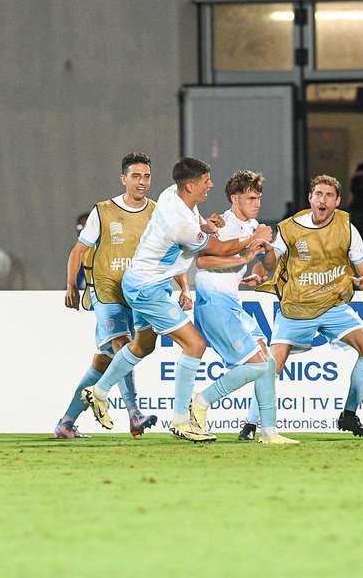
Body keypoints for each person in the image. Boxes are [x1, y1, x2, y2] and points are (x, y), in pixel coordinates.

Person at [82, 157, 271, 442]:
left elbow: (200, 226)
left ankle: (99, 391)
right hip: (147, 288)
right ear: (191, 185)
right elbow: (216, 249)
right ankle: (181, 420)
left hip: (142, 281)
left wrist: (208, 225)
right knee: (194, 344)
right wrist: (250, 241)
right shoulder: (179, 224)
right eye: (206, 181)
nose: (211, 185)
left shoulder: (172, 195)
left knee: (143, 345)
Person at [257, 175, 363, 437]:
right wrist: (264, 251)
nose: (323, 200)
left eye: (329, 196)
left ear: (337, 201)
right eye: (318, 195)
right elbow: (270, 262)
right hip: (297, 306)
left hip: (333, 304)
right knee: (274, 363)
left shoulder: (347, 228)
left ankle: (349, 415)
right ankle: (252, 421)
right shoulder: (289, 229)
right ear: (310, 198)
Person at [55, 152, 160, 439]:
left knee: (104, 363)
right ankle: (134, 414)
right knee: (123, 345)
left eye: (147, 176)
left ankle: (66, 423)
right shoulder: (103, 211)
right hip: (107, 291)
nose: (142, 182)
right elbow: (78, 250)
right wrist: (70, 285)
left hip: (137, 295)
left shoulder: (156, 211)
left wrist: (183, 287)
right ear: (123, 178)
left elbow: (165, 251)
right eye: (136, 176)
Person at [192, 170, 297, 444]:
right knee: (259, 365)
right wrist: (247, 252)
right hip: (213, 302)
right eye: (250, 198)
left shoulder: (254, 226)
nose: (256, 203)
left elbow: (269, 265)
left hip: (232, 304)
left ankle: (269, 431)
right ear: (234, 199)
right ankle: (201, 400)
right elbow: (202, 262)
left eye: (258, 198)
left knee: (268, 361)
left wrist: (266, 254)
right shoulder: (221, 225)